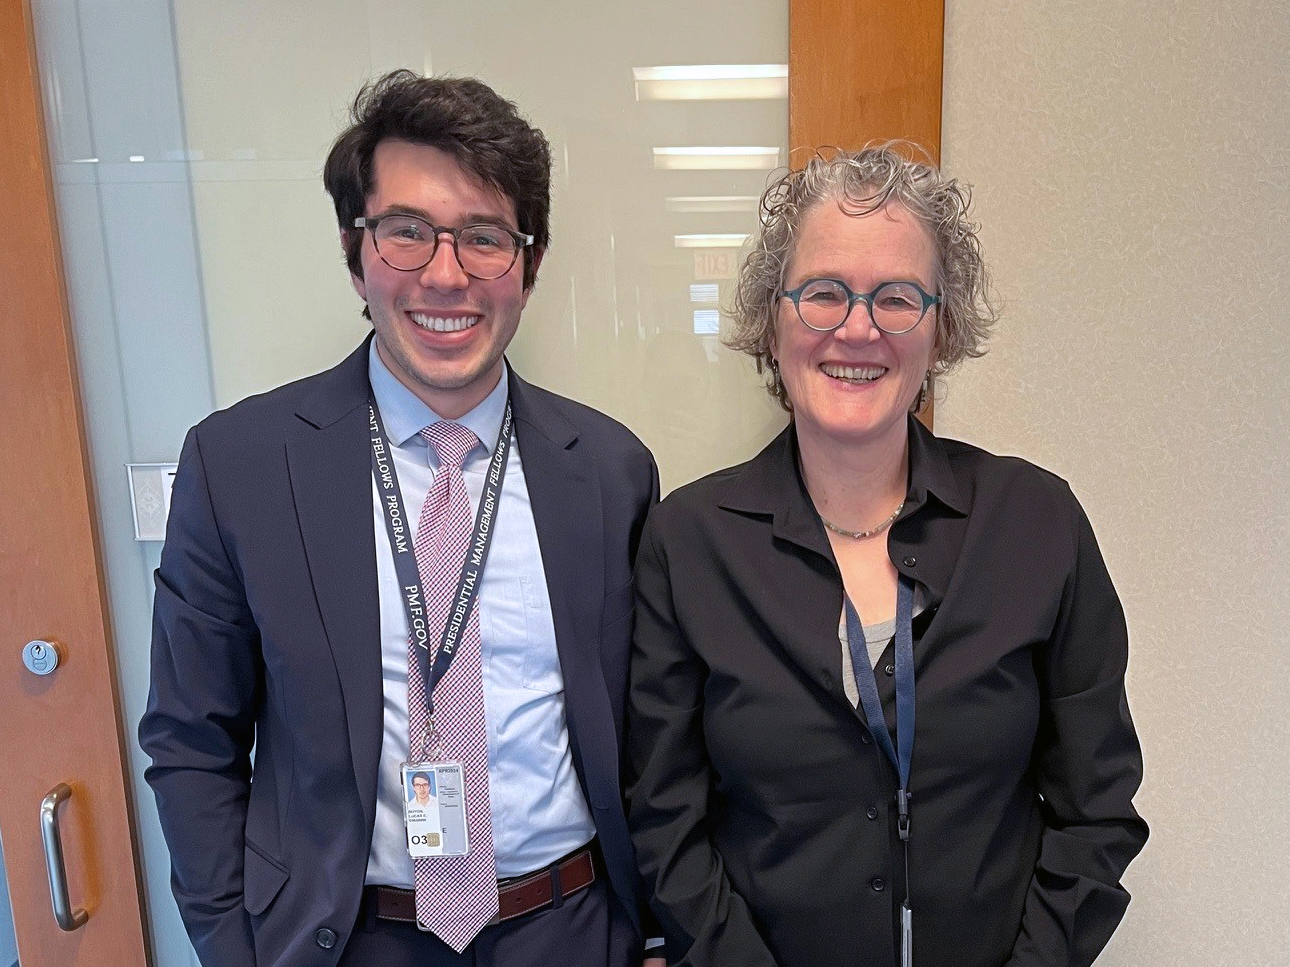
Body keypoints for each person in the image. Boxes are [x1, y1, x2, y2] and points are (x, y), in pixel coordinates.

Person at [140, 70, 664, 967]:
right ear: (356, 252)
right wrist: (233, 947)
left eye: (485, 237)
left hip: (570, 930)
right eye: (407, 232)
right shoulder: (242, 466)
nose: (446, 274)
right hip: (343, 939)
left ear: (529, 267)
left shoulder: (612, 471)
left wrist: (653, 933)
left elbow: (653, 738)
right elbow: (192, 739)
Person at [625, 145, 1148, 967]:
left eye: (897, 298)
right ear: (773, 319)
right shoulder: (689, 543)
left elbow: (1098, 809)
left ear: (940, 330)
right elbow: (665, 819)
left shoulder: (1037, 523)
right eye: (824, 293)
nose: (858, 327)